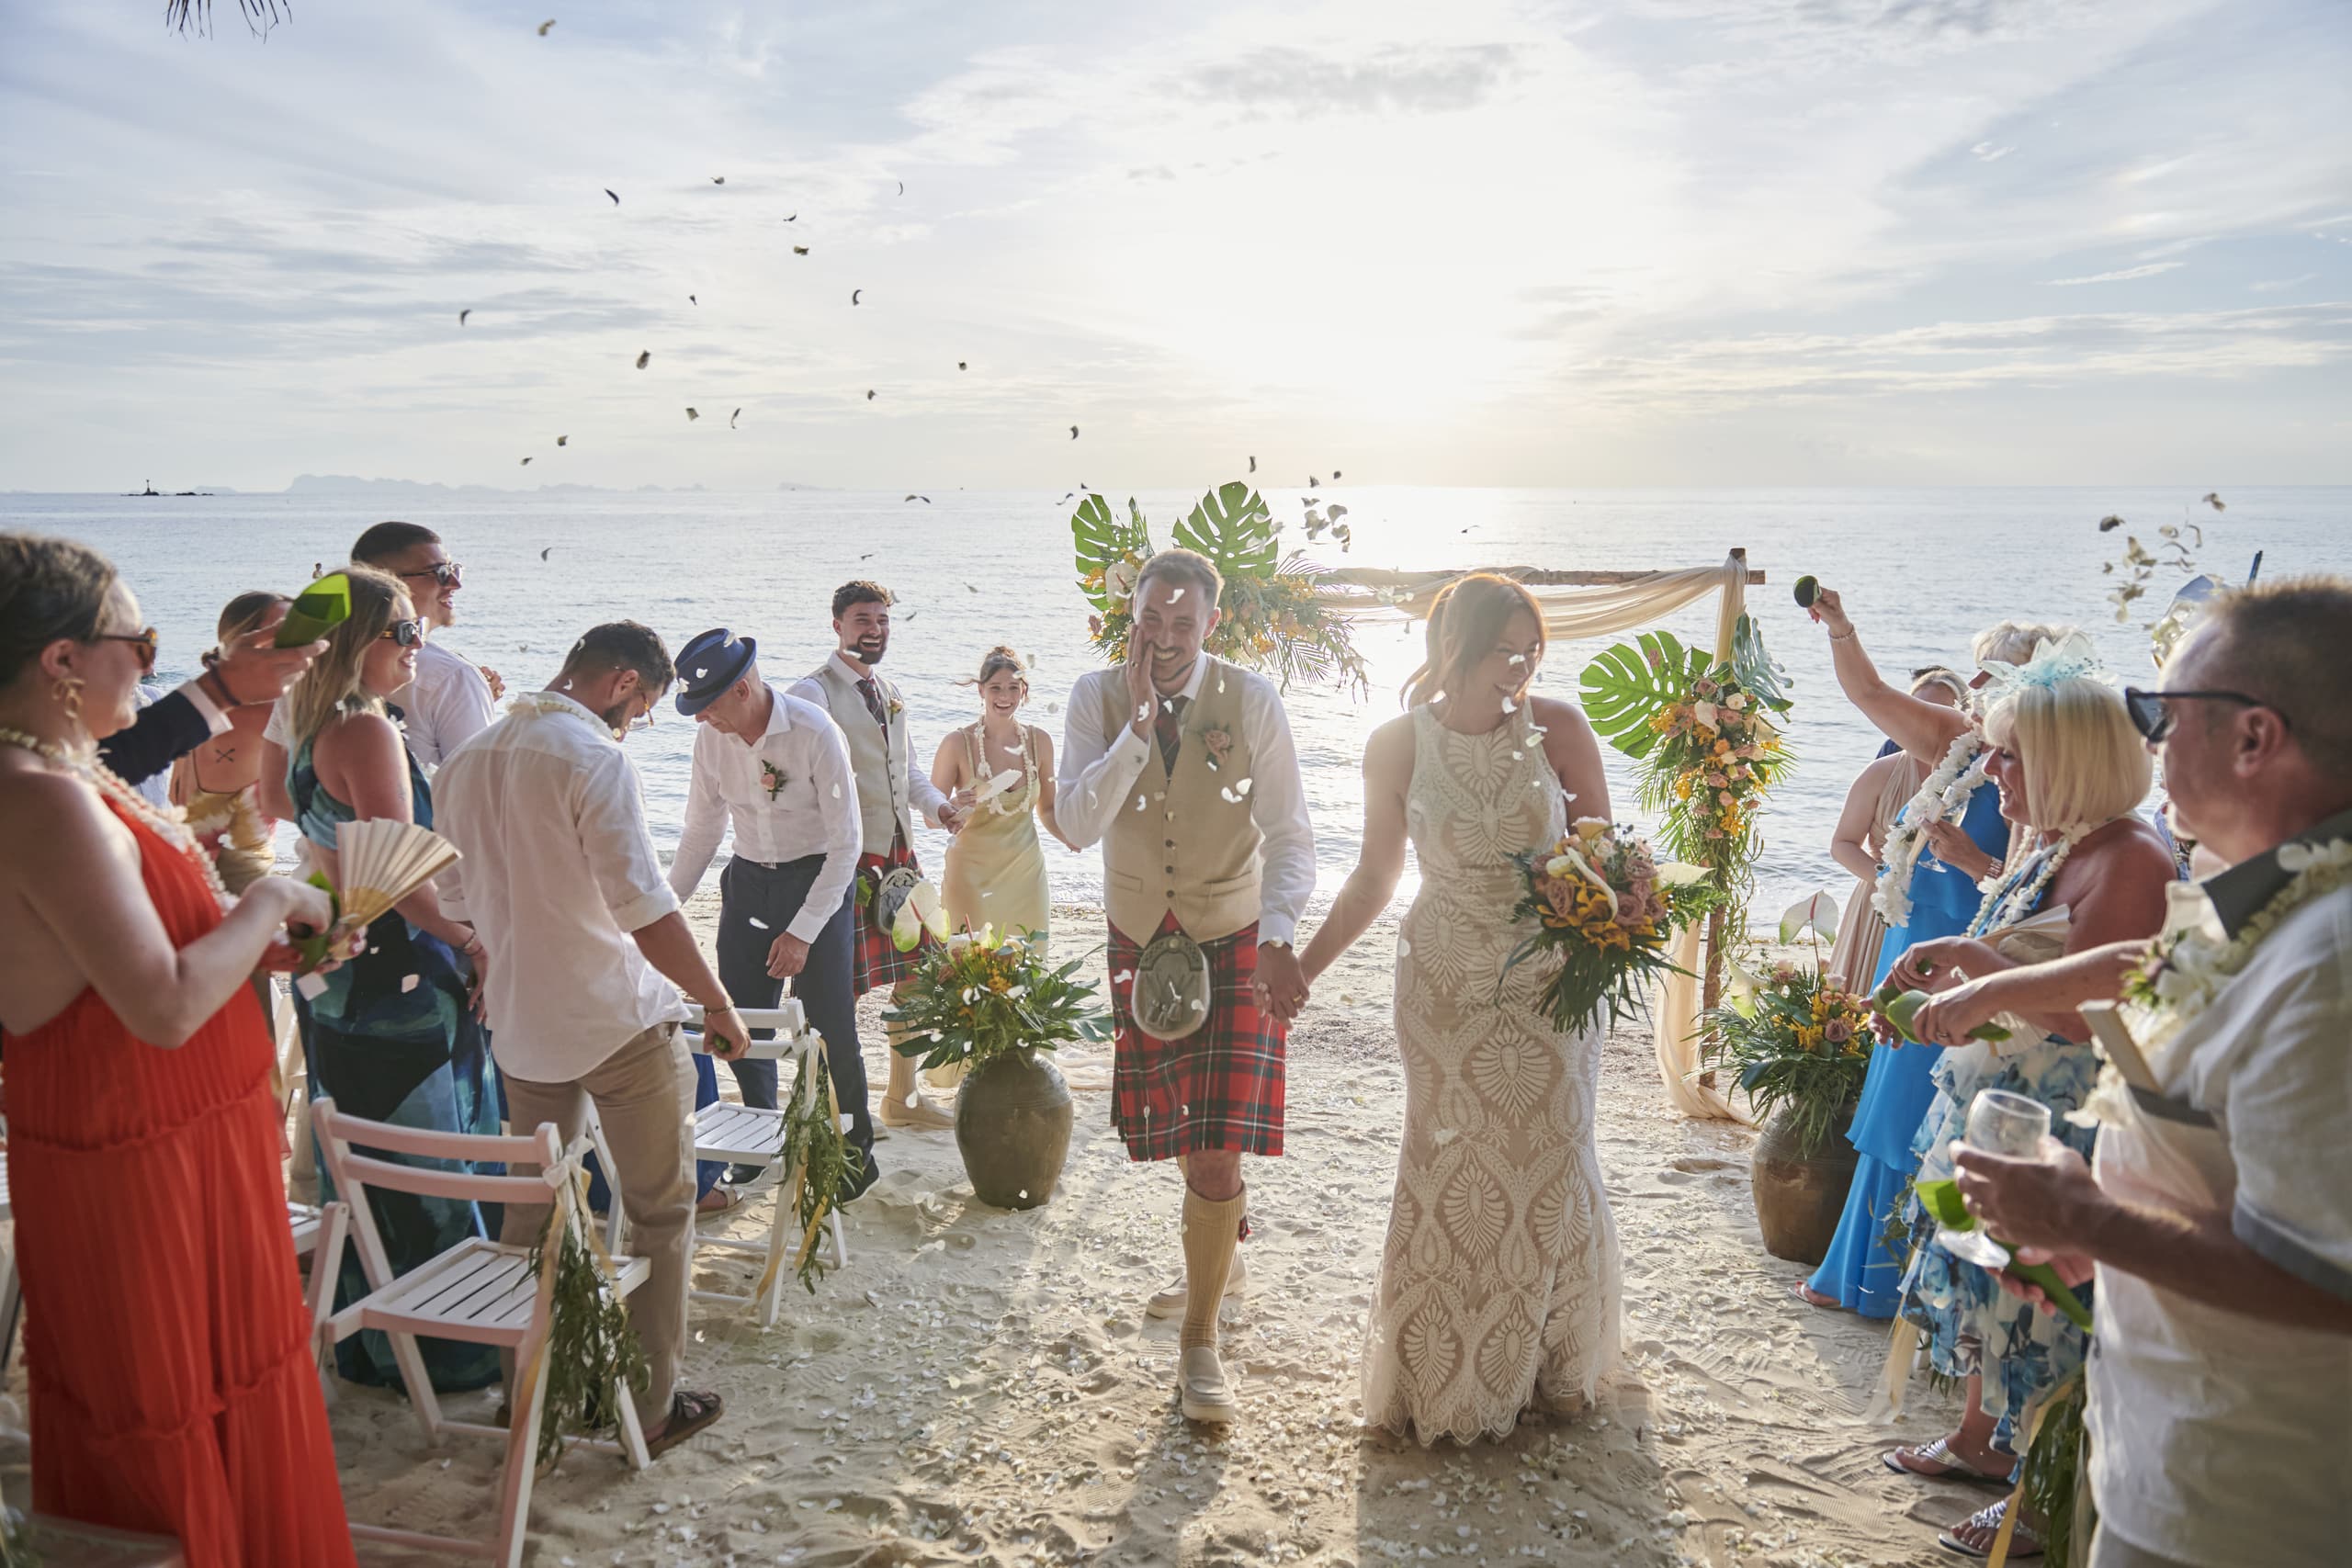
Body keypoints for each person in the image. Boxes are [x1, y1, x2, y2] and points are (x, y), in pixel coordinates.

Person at [1940, 577, 2352, 1568]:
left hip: (2248, 1498)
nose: (2149, 740)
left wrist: (2085, 1219)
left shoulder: (2330, 963)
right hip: (2171, 1445)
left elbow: (2331, 1278)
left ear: (2254, 738)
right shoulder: (2266, 902)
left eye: (2159, 714)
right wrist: (2107, 1247)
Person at [0, 534, 356, 1563]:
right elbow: (156, 1008)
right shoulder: (43, 794)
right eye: (138, 641)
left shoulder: (67, 775)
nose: (148, 663)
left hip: (182, 1139)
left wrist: (255, 941)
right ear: (62, 662)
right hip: (141, 1159)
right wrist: (279, 898)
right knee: (161, 1405)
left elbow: (122, 964)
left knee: (210, 1392)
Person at [1297, 573, 1621, 1442]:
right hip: (1442, 982)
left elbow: (1607, 860)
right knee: (1450, 1165)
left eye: (1529, 649)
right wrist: (1305, 967)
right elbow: (1374, 876)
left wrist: (1620, 918)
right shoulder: (1398, 744)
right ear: (1452, 647)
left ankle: (1550, 1364)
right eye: (1499, 649)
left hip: (1551, 980)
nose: (1516, 666)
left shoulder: (1562, 729)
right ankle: (1445, 1368)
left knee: (1553, 1152)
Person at [1876, 652, 2175, 1558]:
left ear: (2067, 762)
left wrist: (1979, 978)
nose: (1988, 771)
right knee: (1982, 1286)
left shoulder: (2128, 857)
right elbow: (2017, 954)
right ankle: (1977, 1442)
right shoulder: (2054, 838)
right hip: (1998, 1096)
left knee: (2040, 1309)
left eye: (2007, 756)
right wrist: (1955, 952)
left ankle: (2034, 1501)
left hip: (2059, 1116)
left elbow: (2091, 1020)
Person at [434, 621, 750, 1458]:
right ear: (617, 681)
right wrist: (715, 999)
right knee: (659, 1207)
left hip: (523, 1024)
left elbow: (456, 897)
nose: (636, 722)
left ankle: (526, 1395)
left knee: (532, 1219)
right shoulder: (591, 759)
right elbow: (645, 909)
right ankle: (649, 1404)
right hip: (616, 1022)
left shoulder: (463, 763)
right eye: (642, 705)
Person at [1057, 548, 1315, 1426]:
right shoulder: (1096, 697)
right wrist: (1135, 725)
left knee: (1213, 1148)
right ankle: (1224, 1256)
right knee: (1179, 1133)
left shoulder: (1252, 701)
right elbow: (1076, 825)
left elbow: (1291, 835)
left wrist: (1279, 936)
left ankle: (1200, 1341)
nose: (1163, 638)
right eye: (1150, 620)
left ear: (1210, 623)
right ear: (1130, 617)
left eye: (1181, 623)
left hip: (1235, 934)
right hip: (1139, 939)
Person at [281, 565, 503, 1392]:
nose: (419, 644)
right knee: (428, 1158)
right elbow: (403, 871)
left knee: (360, 1159)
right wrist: (468, 938)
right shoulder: (370, 730)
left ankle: (371, 1344)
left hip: (337, 973)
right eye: (403, 630)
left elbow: (315, 842)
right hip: (397, 972)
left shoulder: (309, 724)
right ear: (357, 641)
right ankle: (451, 1351)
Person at [1804, 665, 2011, 1316]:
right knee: (1888, 1104)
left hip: (1959, 949)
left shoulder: (2003, 784)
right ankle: (1856, 1272)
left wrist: (1972, 862)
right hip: (1908, 940)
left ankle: (1895, 1286)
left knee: (1921, 1112)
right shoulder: (1927, 776)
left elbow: (2024, 887)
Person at [668, 627, 876, 1199]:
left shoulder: (814, 732)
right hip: (749, 882)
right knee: (742, 1022)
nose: (699, 718)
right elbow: (701, 832)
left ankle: (853, 1157)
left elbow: (846, 845)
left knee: (830, 1028)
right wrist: (662, 910)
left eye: (705, 705)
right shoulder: (711, 740)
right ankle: (760, 1144)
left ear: (742, 688)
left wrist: (803, 932)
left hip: (819, 884)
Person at [789, 581, 970, 1131]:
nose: (875, 630)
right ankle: (824, 1105)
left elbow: (908, 772)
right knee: (834, 989)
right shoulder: (811, 692)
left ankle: (901, 1098)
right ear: (838, 624)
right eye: (863, 619)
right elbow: (795, 782)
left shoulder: (890, 690)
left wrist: (939, 809)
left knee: (917, 973)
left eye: (883, 621)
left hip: (899, 857)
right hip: (843, 858)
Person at [259, 521, 500, 822]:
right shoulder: (453, 680)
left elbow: (274, 796)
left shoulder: (309, 674)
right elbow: (482, 809)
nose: (455, 582)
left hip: (319, 868)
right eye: (439, 572)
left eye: (453, 569)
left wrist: (333, 841)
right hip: (412, 869)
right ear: (383, 582)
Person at [1822, 667, 1968, 988]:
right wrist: (1889, 880)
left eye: (1938, 712)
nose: (1922, 721)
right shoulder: (1880, 772)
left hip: (1944, 910)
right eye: (1915, 709)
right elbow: (1842, 843)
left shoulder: (1974, 779)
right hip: (1881, 906)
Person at [96, 608, 322, 790]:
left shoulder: (152, 702)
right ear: (63, 658)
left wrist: (222, 688)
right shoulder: (66, 779)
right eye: (139, 648)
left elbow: (127, 756)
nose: (147, 667)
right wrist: (223, 686)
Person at [933, 644, 1065, 942]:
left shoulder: (1040, 741)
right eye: (995, 688)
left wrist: (1070, 835)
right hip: (970, 878)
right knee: (970, 973)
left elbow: (1047, 809)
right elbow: (931, 817)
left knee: (1027, 972)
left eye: (1012, 688)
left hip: (1026, 876)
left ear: (1023, 690)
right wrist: (951, 806)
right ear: (981, 690)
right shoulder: (957, 743)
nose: (1004, 697)